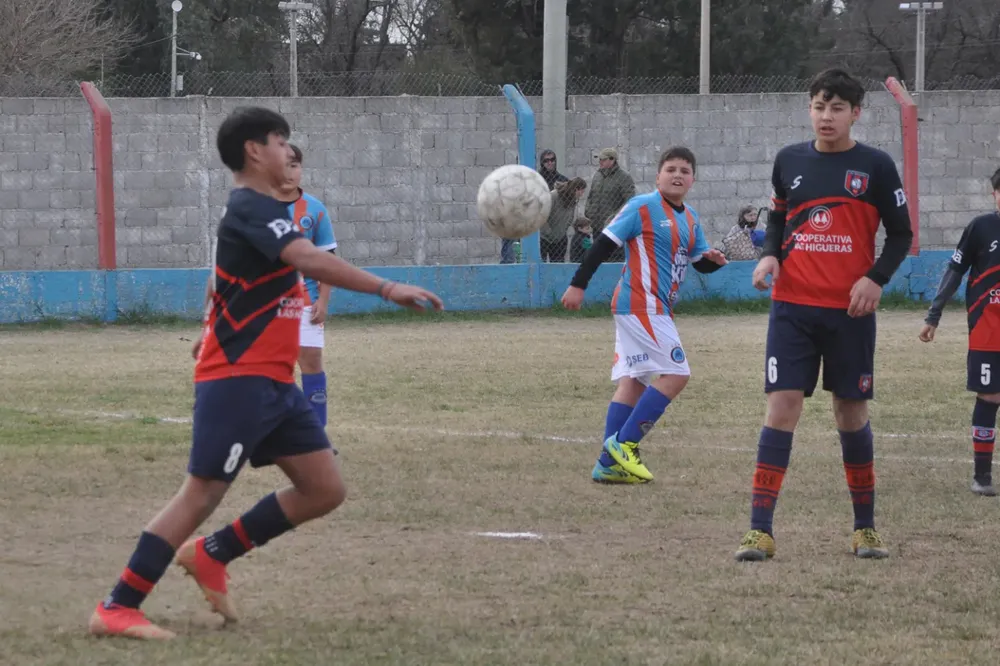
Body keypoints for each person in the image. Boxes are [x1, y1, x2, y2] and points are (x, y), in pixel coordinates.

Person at [88, 106, 443, 640]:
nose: (288, 154)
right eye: (282, 143)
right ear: (256, 150)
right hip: (238, 377)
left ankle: (214, 553)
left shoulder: (267, 212)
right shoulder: (251, 207)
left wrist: (213, 323)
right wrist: (387, 288)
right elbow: (308, 259)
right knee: (202, 492)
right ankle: (117, 606)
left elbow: (225, 282)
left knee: (324, 488)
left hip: (274, 381)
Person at [735, 68, 914, 562]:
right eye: (819, 106)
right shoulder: (788, 160)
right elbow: (777, 215)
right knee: (782, 406)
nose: (826, 116)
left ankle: (865, 528)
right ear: (809, 108)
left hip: (849, 313)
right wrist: (770, 254)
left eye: (837, 108)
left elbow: (901, 234)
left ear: (856, 113)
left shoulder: (875, 167)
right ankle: (759, 531)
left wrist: (875, 278)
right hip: (792, 308)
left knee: (850, 412)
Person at [561, 147, 728, 484]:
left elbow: (698, 263)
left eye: (684, 169)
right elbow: (603, 245)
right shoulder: (642, 206)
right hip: (641, 303)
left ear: (693, 179)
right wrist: (578, 285)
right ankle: (625, 444)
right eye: (670, 169)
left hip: (654, 307)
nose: (677, 174)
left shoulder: (690, 218)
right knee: (676, 374)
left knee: (635, 381)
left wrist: (713, 260)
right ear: (658, 176)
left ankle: (609, 462)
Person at [919, 166, 1000, 497]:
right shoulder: (981, 227)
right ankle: (982, 476)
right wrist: (933, 314)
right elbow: (955, 270)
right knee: (990, 395)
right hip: (988, 328)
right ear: (994, 194)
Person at [281, 144, 337, 426]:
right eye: (282, 165)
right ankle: (279, 433)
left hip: (305, 304)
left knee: (312, 365)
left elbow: (327, 261)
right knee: (275, 371)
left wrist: (323, 301)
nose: (289, 172)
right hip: (266, 307)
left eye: (294, 165)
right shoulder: (255, 208)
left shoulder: (315, 210)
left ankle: (317, 437)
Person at [542, 177, 587, 262]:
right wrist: (548, 232)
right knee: (542, 263)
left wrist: (563, 230)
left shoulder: (573, 200)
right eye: (582, 191)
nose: (582, 194)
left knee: (558, 265)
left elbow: (570, 217)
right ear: (576, 189)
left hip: (560, 238)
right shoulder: (553, 196)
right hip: (545, 238)